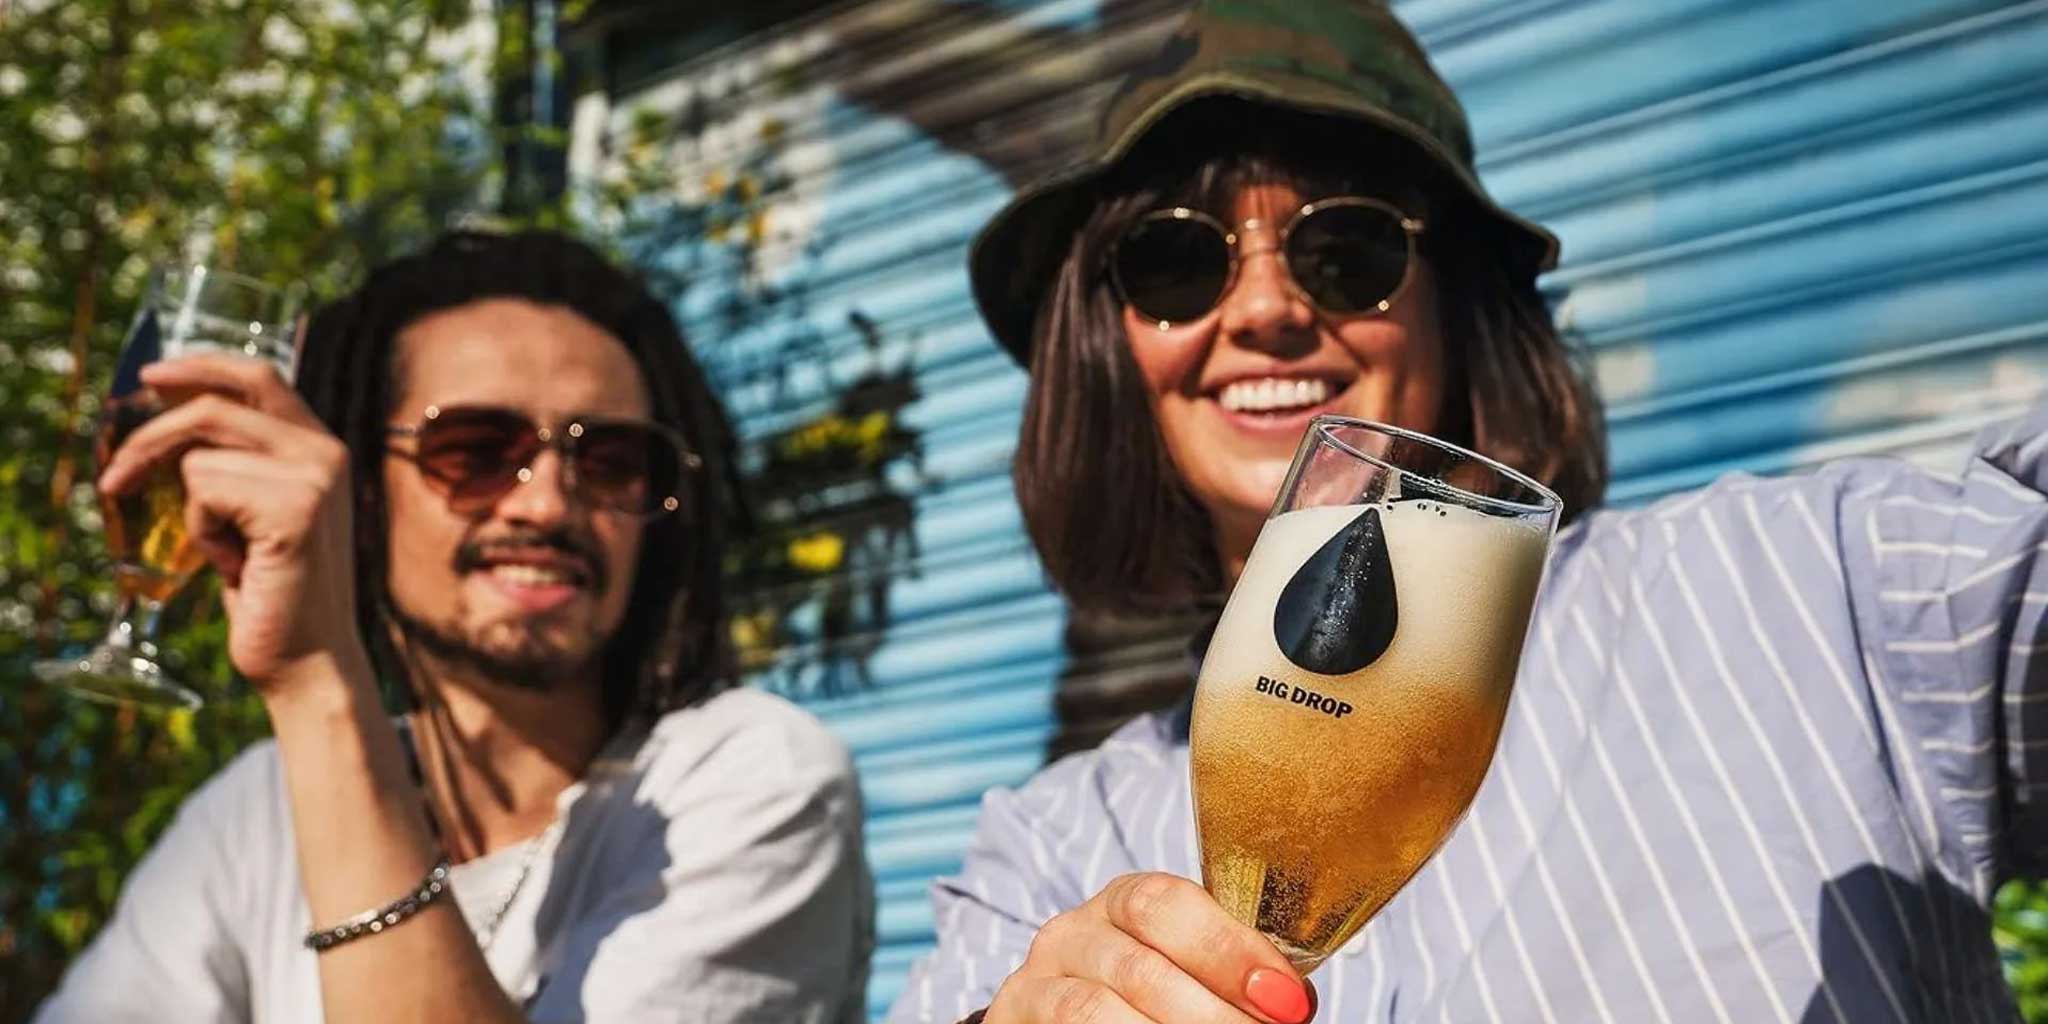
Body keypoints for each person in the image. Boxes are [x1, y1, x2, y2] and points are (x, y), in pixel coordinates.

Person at [888, 1, 2045, 1021]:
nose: (1263, 310)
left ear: (1461, 302)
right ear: (1107, 349)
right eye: (1174, 263)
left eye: (1346, 249)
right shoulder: (1048, 850)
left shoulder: (1807, 589)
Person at [35, 230, 874, 1022]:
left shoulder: (748, 779)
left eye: (611, 462)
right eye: (474, 451)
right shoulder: (259, 812)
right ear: (363, 495)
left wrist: (317, 679)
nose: (547, 504)